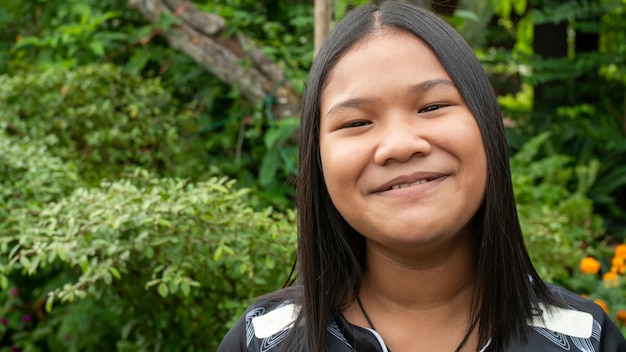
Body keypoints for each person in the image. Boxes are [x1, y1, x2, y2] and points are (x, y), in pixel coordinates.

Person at [217, 1, 626, 351]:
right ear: (316, 158)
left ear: (488, 127)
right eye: (357, 122)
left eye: (431, 107)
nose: (399, 145)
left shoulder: (582, 338)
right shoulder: (263, 341)